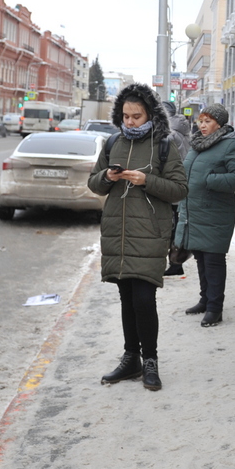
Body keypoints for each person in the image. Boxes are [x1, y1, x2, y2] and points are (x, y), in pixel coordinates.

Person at [88, 83, 188, 391]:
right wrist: (107, 177)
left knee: (144, 299)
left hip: (149, 233)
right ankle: (130, 358)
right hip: (118, 233)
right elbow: (94, 184)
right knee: (127, 299)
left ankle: (150, 361)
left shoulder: (163, 144)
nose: (130, 121)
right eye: (126, 115)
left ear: (150, 114)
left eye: (136, 115)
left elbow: (180, 189)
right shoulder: (112, 142)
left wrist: (147, 180)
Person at [175, 103, 235, 327]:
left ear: (219, 123)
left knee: (213, 260)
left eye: (208, 121)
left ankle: (215, 309)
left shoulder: (230, 145)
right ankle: (205, 300)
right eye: (201, 121)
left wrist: (210, 180)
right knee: (200, 257)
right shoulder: (197, 144)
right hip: (194, 210)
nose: (203, 125)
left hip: (216, 212)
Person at [161, 101, 193, 277]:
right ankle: (175, 261)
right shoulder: (182, 130)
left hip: (172, 184)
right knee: (175, 224)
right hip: (180, 182)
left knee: (171, 225)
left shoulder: (170, 134)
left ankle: (175, 262)